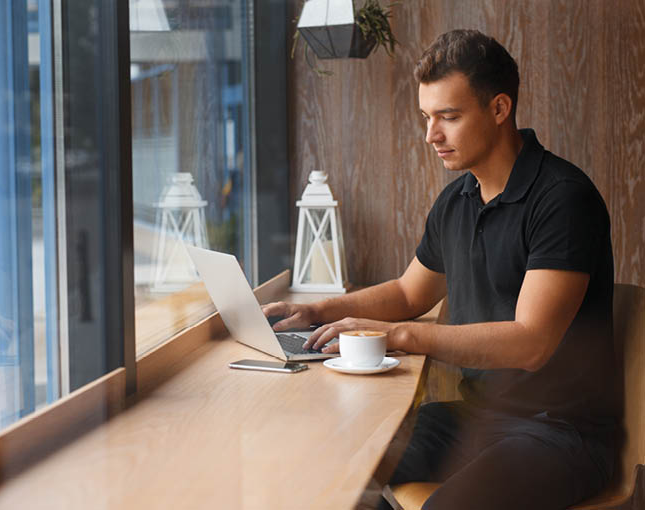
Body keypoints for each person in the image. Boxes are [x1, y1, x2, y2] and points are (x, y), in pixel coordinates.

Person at [263, 29, 617, 509]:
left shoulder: (563, 200)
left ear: (499, 109)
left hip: (561, 432)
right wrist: (321, 310)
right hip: (478, 416)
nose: (431, 135)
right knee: (339, 462)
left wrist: (402, 335)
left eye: (448, 117)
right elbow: (410, 294)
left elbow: (531, 343)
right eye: (427, 117)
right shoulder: (457, 200)